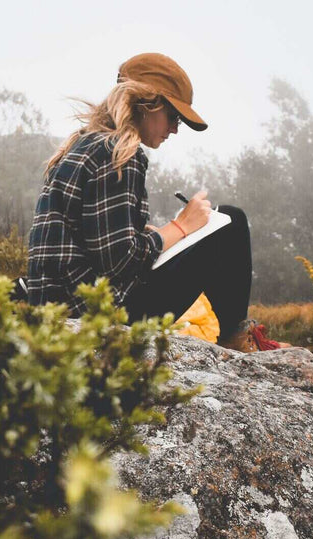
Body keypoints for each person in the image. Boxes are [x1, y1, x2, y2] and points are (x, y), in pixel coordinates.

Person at [26, 52, 286, 352]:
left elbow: (96, 246)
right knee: (230, 221)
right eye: (173, 116)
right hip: (101, 314)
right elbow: (120, 261)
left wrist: (157, 234)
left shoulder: (82, 145)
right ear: (146, 103)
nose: (175, 129)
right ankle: (234, 338)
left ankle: (234, 335)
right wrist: (181, 226)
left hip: (61, 307)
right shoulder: (120, 153)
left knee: (211, 225)